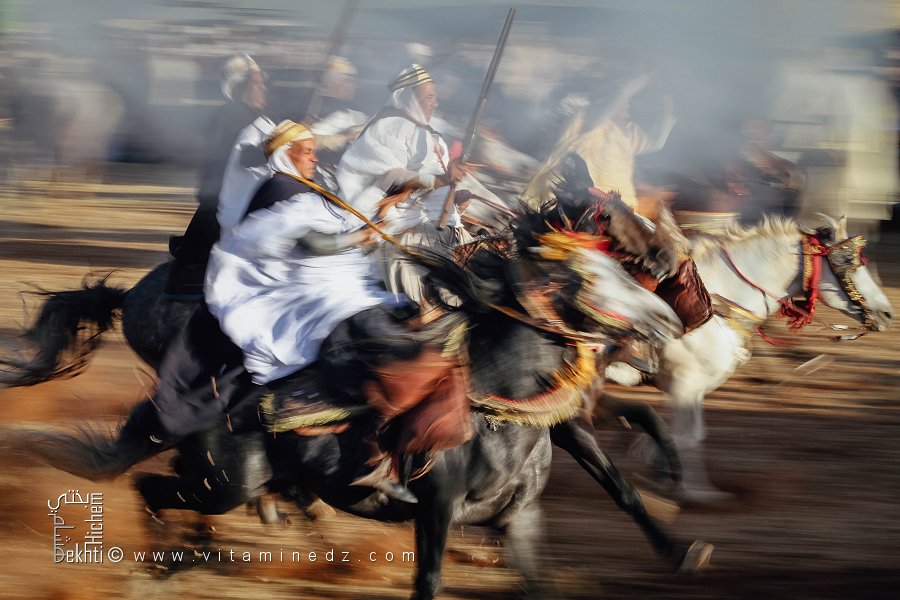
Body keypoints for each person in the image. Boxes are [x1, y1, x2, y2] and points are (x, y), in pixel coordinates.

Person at [336, 64, 472, 314]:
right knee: (440, 307)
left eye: (435, 96)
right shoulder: (388, 127)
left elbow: (435, 186)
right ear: (407, 97)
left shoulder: (432, 136)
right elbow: (393, 179)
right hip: (403, 235)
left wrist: (454, 203)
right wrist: (441, 180)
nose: (435, 103)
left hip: (442, 231)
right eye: (428, 97)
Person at [165, 54, 269, 299]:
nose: (263, 86)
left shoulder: (243, 114)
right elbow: (246, 157)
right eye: (257, 81)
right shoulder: (233, 116)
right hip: (224, 197)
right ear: (241, 86)